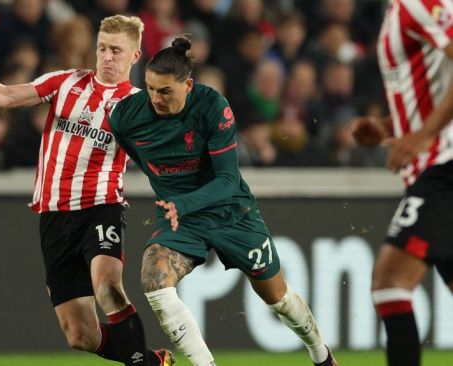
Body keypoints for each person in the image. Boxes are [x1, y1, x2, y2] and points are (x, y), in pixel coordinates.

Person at [0, 15, 173, 366]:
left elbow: (163, 154)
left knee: (108, 287)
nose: (107, 57)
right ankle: (152, 363)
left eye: (116, 51)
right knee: (80, 335)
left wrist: (176, 195)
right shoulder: (66, 83)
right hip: (54, 217)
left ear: (135, 56)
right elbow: (3, 97)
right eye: (102, 49)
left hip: (101, 206)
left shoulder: (139, 106)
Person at [108, 36, 337, 366]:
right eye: (150, 89)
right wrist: (175, 203)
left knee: (278, 299)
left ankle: (321, 355)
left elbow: (228, 180)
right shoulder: (125, 118)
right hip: (182, 222)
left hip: (232, 213)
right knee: (154, 279)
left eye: (165, 91)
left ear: (188, 85)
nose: (155, 98)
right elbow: (142, 160)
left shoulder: (213, 107)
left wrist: (182, 203)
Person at [350, 1, 453, 365]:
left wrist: (425, 136)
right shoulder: (399, 10)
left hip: (444, 168)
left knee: (390, 281)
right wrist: (386, 130)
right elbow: (430, 95)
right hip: (436, 163)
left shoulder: (422, 5)